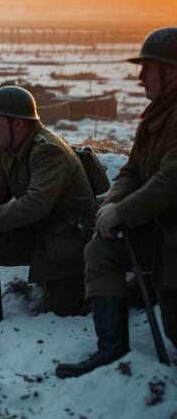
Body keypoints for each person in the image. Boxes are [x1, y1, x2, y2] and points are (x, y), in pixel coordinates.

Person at [56, 27, 177, 378]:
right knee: (102, 250)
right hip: (158, 233)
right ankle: (112, 347)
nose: (139, 78)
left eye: (147, 68)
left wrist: (122, 211)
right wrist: (111, 205)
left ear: (171, 71)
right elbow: (132, 170)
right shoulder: (155, 116)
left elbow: (171, 180)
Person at [0, 86, 96, 344]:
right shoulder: (11, 148)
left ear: (18, 124)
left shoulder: (49, 150)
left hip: (67, 242)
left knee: (62, 314)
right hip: (38, 232)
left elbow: (36, 203)